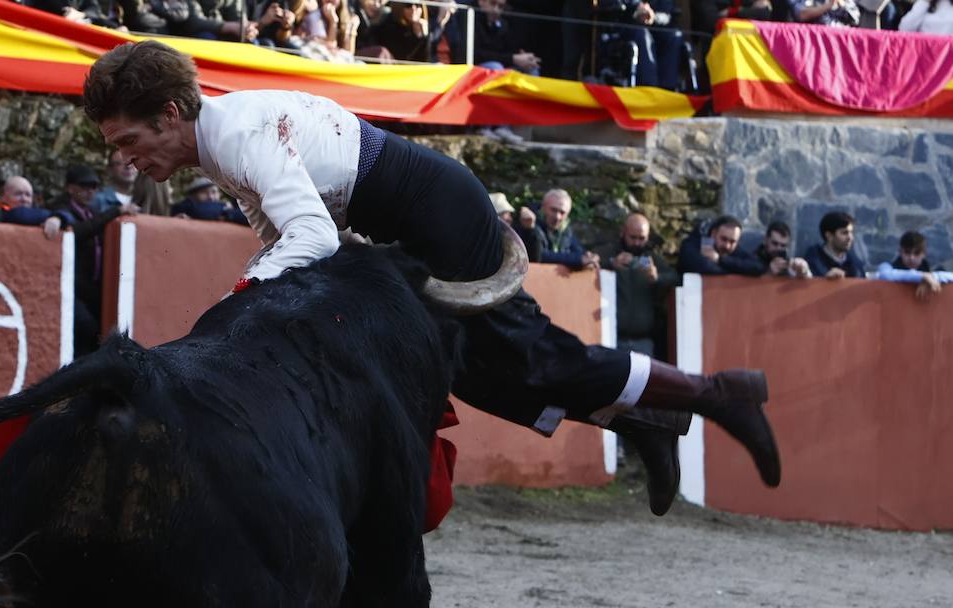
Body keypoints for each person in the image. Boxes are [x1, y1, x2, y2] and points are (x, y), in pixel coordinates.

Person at [82, 40, 782, 516]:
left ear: (169, 114)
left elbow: (312, 237)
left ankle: (717, 392)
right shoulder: (219, 143)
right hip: (414, 215)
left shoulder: (232, 134)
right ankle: (646, 422)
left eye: (129, 142)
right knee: (472, 373)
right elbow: (281, 235)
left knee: (530, 354)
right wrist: (258, 282)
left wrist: (246, 294)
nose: (127, 160)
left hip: (434, 211)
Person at [49, 163, 140, 354]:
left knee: (98, 327)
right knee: (86, 326)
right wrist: (115, 211)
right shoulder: (60, 208)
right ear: (71, 188)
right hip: (70, 283)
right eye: (84, 186)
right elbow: (77, 232)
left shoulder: (90, 211)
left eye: (94, 187)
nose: (90, 191)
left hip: (90, 284)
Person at [597, 213, 679, 357]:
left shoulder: (652, 259)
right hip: (611, 337)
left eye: (641, 239)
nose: (637, 243)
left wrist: (657, 278)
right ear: (623, 232)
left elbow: (677, 279)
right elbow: (588, 267)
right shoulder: (607, 252)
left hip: (644, 340)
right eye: (633, 237)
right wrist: (610, 264)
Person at [521, 189, 599, 271]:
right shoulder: (528, 224)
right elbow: (538, 255)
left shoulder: (565, 230)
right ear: (543, 207)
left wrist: (589, 259)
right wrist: (578, 260)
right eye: (553, 210)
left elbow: (579, 253)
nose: (557, 217)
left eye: (562, 213)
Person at [875, 230, 952, 299]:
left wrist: (932, 277)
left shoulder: (932, 270)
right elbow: (885, 275)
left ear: (924, 253)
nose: (911, 258)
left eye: (917, 253)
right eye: (907, 252)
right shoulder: (887, 267)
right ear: (900, 252)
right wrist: (921, 276)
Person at [677, 215, 765, 275]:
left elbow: (757, 267)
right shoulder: (692, 244)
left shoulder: (731, 249)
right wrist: (736, 270)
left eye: (732, 242)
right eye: (724, 239)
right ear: (713, 234)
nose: (727, 246)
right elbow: (705, 268)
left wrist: (720, 259)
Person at [803, 210, 866, 279]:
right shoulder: (813, 259)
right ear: (829, 236)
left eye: (851, 233)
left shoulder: (855, 263)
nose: (850, 238)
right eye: (844, 233)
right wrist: (825, 279)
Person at [172, 175, 251, 223]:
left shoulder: (227, 206)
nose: (210, 196)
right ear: (193, 196)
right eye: (204, 193)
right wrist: (225, 210)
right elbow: (200, 211)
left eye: (214, 192)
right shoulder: (186, 207)